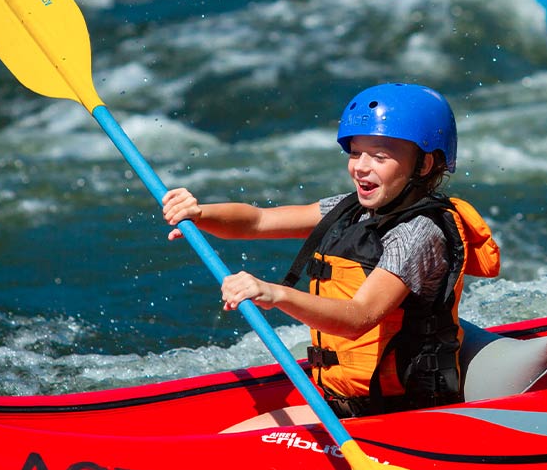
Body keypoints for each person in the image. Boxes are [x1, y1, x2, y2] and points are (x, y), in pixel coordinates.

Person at [162, 83, 500, 430]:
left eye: (379, 156)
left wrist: (276, 294)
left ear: (425, 164)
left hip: (401, 413)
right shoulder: (349, 210)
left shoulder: (418, 233)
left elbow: (359, 317)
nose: (361, 167)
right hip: (351, 404)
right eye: (355, 154)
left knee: (234, 440)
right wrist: (201, 214)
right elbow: (258, 220)